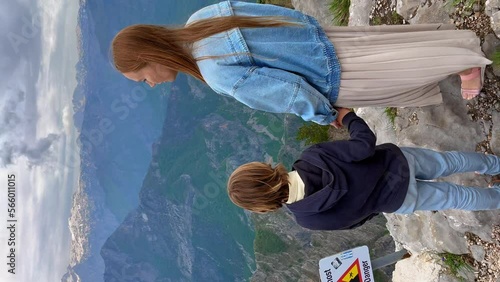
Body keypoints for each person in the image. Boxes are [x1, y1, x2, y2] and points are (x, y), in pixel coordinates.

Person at [111, 1, 491, 126]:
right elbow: (268, 12)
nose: (151, 84)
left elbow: (288, 93)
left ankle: (464, 62)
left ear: (151, 57)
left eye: (142, 77)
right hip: (319, 39)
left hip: (326, 75)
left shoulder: (215, 72)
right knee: (389, 47)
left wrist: (327, 115)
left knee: (394, 72)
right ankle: (456, 47)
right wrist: (312, 31)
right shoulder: (202, 18)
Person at [227, 107, 500, 230]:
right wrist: (349, 118)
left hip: (398, 199)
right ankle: (494, 164)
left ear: (263, 206)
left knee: (456, 197)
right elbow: (364, 146)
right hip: (399, 162)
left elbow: (354, 222)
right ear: (264, 170)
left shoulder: (308, 220)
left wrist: (372, 204)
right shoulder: (312, 158)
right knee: (450, 162)